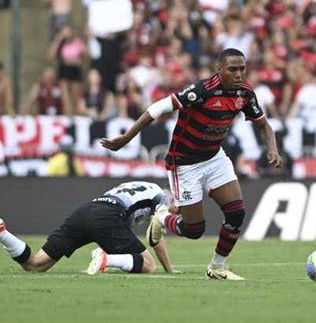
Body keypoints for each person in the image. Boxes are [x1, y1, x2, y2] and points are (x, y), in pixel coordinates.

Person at [101, 48, 283, 280]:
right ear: (219, 69)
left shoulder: (245, 92)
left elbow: (263, 124)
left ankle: (217, 267)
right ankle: (162, 217)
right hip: (185, 164)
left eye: (242, 69)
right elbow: (157, 108)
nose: (239, 74)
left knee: (236, 214)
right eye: (233, 69)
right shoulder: (201, 91)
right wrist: (126, 137)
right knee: (194, 230)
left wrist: (272, 148)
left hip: (215, 158)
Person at [0, 181, 181, 275]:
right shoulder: (161, 197)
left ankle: (1, 233)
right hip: (107, 216)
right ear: (173, 196)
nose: (176, 212)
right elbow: (156, 236)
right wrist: (170, 269)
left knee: (36, 265)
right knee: (149, 265)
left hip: (87, 210)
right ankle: (106, 261)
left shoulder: (141, 185)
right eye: (177, 208)